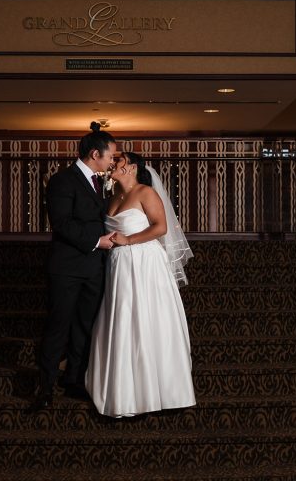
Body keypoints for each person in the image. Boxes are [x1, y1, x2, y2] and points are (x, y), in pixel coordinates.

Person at [85, 152, 196, 418]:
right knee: (123, 318)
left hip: (145, 262)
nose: (113, 162)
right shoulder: (112, 198)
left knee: (147, 318)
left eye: (119, 159)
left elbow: (161, 228)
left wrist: (130, 240)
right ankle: (126, 392)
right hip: (119, 264)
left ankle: (161, 391)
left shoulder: (145, 192)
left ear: (132, 167)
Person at [30, 122, 118, 412]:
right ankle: (44, 386)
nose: (112, 162)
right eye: (110, 156)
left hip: (94, 269)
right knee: (58, 326)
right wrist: (97, 241)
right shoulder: (62, 181)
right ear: (95, 154)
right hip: (67, 268)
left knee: (85, 327)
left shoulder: (99, 182)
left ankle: (75, 380)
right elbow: (62, 224)